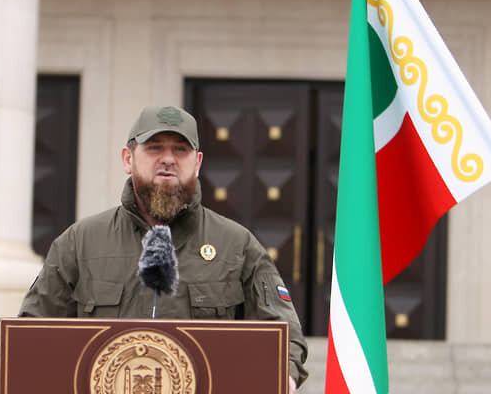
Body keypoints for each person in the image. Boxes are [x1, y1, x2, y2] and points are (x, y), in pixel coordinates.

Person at [19, 105, 308, 392]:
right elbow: (31, 335)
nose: (168, 159)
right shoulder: (79, 243)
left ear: (197, 162)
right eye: (155, 147)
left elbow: (284, 336)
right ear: (128, 159)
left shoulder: (238, 245)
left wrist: (284, 378)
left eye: (181, 150)